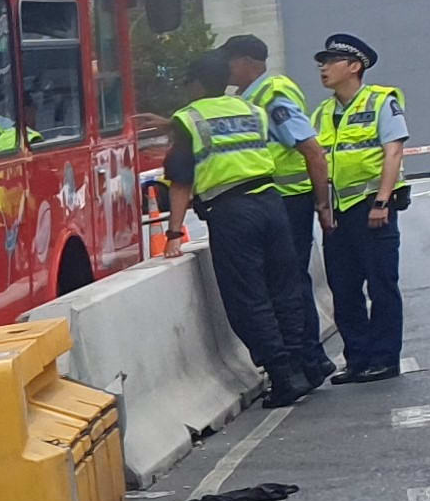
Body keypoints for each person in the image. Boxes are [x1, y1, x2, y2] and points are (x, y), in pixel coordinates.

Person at [167, 49, 331, 406]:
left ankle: (282, 375)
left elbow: (180, 181)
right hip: (272, 204)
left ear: (195, 84)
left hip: (232, 212)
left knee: (249, 298)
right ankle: (304, 365)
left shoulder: (189, 118)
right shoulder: (252, 110)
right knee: (285, 290)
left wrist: (174, 233)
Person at [217, 34, 332, 392]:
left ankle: (310, 359)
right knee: (285, 283)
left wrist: (322, 203)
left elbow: (312, 150)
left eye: (230, 60)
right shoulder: (250, 98)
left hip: (288, 199)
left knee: (291, 283)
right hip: (274, 201)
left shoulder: (272, 96)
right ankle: (309, 359)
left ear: (248, 61)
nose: (227, 68)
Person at [312, 32, 408, 381]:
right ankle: (357, 358)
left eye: (330, 61)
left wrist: (382, 201)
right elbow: (319, 161)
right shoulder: (322, 112)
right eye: (321, 62)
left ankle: (384, 358)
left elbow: (393, 151)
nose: (323, 68)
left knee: (381, 284)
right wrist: (322, 207)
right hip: (337, 212)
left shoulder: (381, 101)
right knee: (343, 286)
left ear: (353, 66)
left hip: (372, 207)